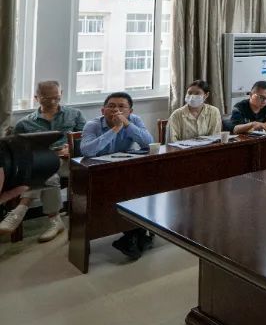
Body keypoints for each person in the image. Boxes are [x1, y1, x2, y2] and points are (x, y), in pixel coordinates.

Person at [3, 81, 85, 242]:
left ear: (61, 94)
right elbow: (17, 151)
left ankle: (20, 210)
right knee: (48, 175)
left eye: (57, 97)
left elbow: (86, 139)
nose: (53, 102)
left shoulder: (75, 114)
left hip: (68, 163)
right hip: (42, 164)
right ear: (37, 98)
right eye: (47, 99)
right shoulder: (24, 123)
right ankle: (55, 221)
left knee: (45, 172)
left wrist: (71, 147)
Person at [79, 92, 155, 260]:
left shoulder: (134, 120)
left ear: (130, 111)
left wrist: (127, 124)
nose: (116, 110)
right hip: (99, 174)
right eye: (111, 106)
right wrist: (115, 129)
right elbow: (87, 151)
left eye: (121, 107)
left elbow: (149, 143)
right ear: (102, 110)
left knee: (143, 188)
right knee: (126, 192)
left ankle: (133, 236)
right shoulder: (92, 125)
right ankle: (137, 237)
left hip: (125, 171)